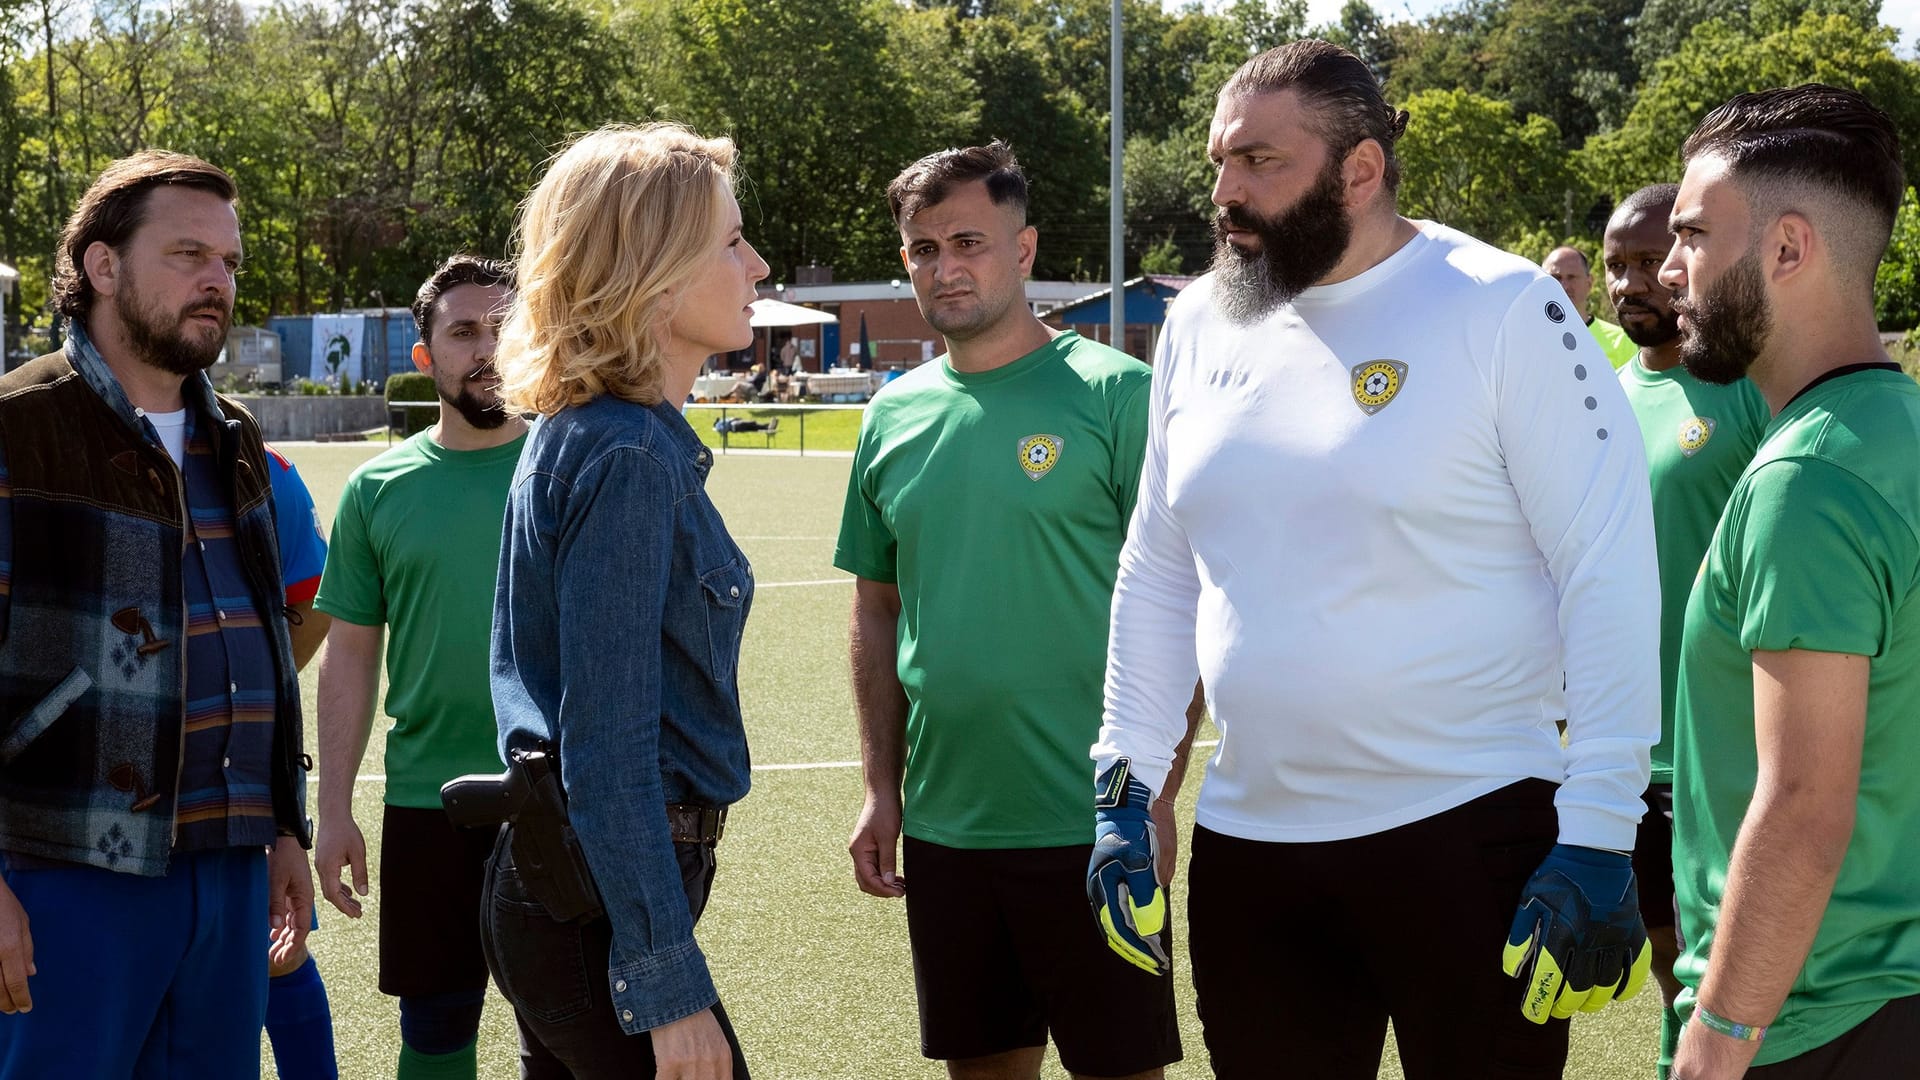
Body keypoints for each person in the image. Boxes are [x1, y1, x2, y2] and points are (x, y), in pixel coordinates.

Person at [1088, 40, 1660, 1079]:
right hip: (1252, 848)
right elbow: (1161, 567)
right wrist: (1125, 787)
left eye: (1260, 161)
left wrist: (1601, 827)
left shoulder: (1502, 305)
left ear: (1360, 169)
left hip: (1472, 836)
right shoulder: (1201, 317)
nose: (1225, 192)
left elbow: (1608, 569)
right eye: (1221, 161)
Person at [837, 141, 1192, 1080]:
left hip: (1095, 821)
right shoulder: (891, 414)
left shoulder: (1121, 397)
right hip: (950, 835)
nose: (943, 267)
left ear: (1025, 250)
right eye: (921, 249)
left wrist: (1157, 795)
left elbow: (1182, 605)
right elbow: (876, 612)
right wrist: (884, 787)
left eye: (968, 242)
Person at [0, 150, 313, 1076]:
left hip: (229, 867)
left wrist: (282, 823)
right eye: (187, 255)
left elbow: (266, 642)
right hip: (63, 876)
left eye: (227, 262)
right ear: (102, 267)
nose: (216, 282)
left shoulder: (238, 437)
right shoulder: (17, 431)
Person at [487, 122, 765, 1077]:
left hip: (562, 891)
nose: (757, 266)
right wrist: (668, 985)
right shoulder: (628, 454)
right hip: (597, 910)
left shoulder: (586, 432)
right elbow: (606, 755)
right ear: (654, 266)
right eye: (731, 243)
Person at [1662, 84, 1920, 1080]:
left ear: (1788, 249)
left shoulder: (1806, 480)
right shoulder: (1894, 434)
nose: (1673, 269)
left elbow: (1807, 805)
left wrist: (1719, 1039)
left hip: (1814, 1020)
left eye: (1693, 235)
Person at [311, 254, 525, 1080]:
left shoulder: (568, 463)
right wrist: (332, 810)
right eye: (464, 331)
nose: (487, 349)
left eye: (503, 328)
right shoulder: (377, 489)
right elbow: (351, 658)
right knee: (437, 1030)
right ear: (425, 357)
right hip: (428, 798)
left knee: (576, 1028)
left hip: (563, 796)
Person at [1603, 183, 1770, 1080]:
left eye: (1650, 261)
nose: (1636, 283)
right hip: (1625, 748)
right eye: (1616, 265)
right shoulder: (1598, 398)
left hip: (1726, 745)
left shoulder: (1745, 393)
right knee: (1670, 963)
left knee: (1740, 964)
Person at [263, 444, 342, 1080]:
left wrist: (254, 683)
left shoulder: (262, 465)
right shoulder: (46, 436)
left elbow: (312, 594)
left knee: (278, 952)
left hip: (248, 764)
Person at [1544, 245, 1638, 369]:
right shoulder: (1529, 338)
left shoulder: (1621, 341)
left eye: (1571, 277)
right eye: (1556, 278)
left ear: (1589, 282)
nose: (1564, 286)